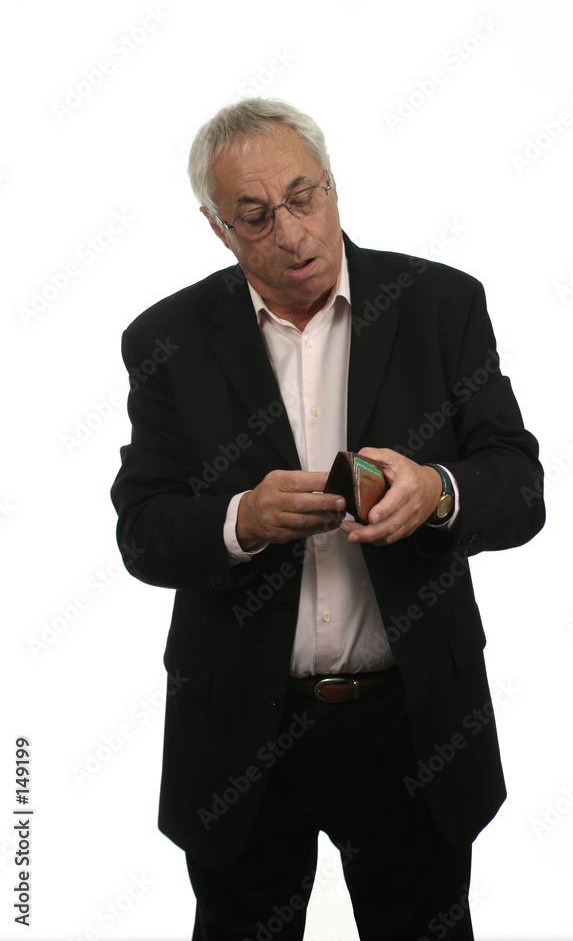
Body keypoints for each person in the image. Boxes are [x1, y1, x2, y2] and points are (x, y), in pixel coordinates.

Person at [111, 97, 545, 941]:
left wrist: (438, 490)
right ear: (217, 229)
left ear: (333, 185)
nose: (290, 232)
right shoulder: (166, 339)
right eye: (254, 216)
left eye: (303, 197)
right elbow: (143, 530)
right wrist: (241, 519)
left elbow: (519, 487)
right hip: (243, 729)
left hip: (410, 721)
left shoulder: (440, 304)